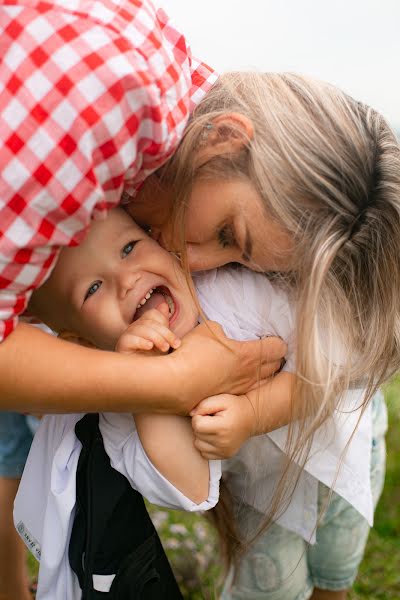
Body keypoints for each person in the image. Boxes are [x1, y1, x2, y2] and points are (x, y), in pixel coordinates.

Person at [27, 207, 386, 600]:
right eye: (92, 289)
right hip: (264, 501)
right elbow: (189, 489)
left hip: (343, 455)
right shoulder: (119, 409)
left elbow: (337, 365)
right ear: (80, 345)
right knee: (272, 590)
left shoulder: (230, 291)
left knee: (336, 567)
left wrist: (254, 414)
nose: (126, 279)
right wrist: (147, 388)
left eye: (130, 247)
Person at [0, 0, 284, 414]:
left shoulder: (150, 77)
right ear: (224, 137)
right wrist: (175, 382)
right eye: (227, 233)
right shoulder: (109, 105)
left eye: (239, 263)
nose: (196, 263)